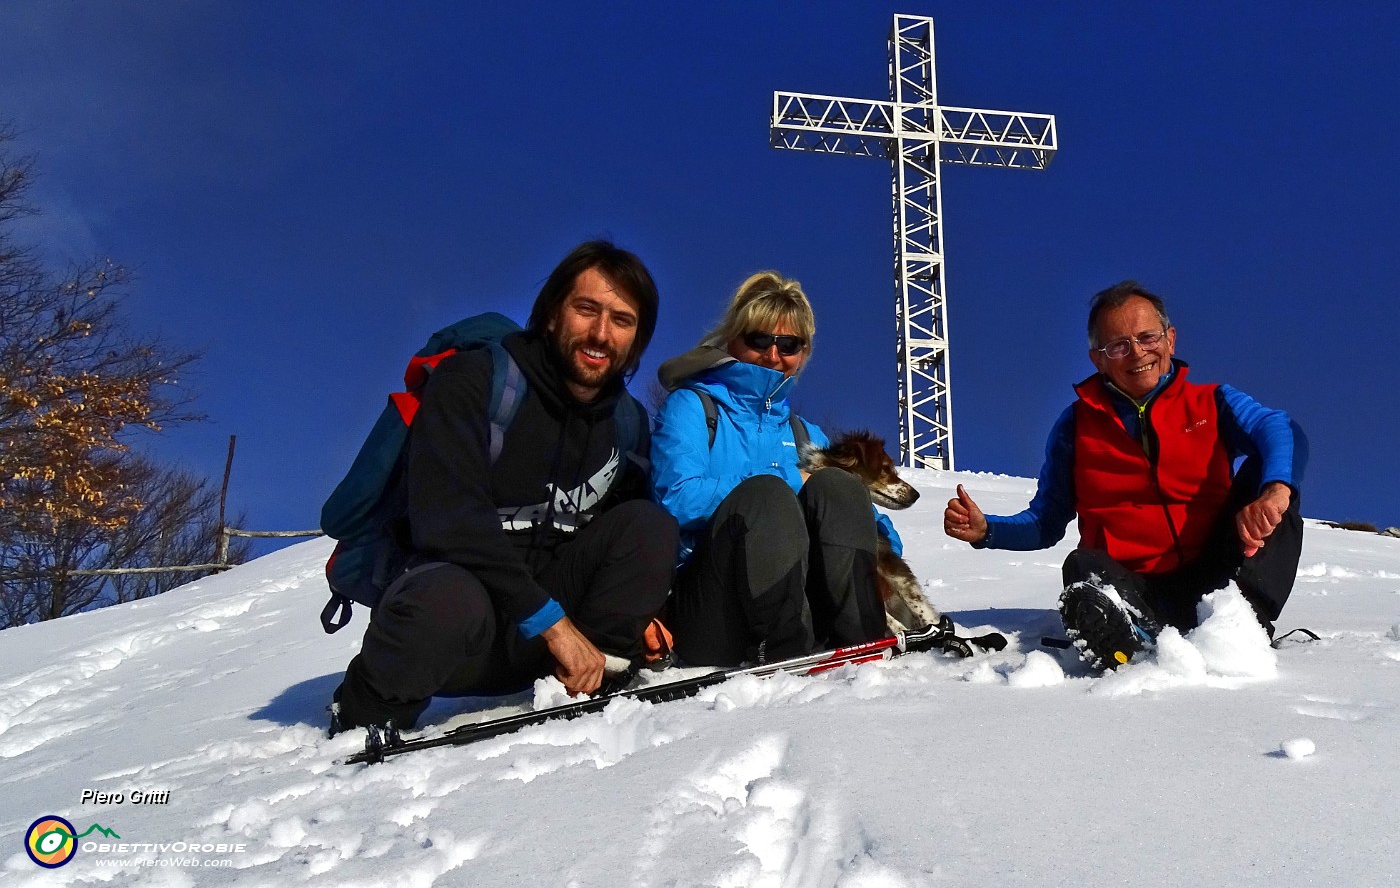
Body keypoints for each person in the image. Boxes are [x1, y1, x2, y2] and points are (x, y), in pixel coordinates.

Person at [330, 241, 678, 734]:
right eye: (586, 309)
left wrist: (641, 612)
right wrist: (552, 624)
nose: (601, 333)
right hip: (460, 629)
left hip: (550, 646)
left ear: (637, 340)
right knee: (443, 601)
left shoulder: (626, 424)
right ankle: (368, 707)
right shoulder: (474, 379)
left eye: (622, 320)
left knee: (649, 526)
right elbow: (447, 518)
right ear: (553, 314)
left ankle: (590, 687)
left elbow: (626, 535)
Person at [943, 280, 1306, 671]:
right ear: (1097, 359)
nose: (1136, 353)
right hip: (1140, 589)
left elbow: (1279, 429)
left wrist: (1275, 491)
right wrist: (986, 531)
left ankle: (1241, 628)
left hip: (1220, 576)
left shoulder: (1212, 402)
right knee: (1081, 566)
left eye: (1147, 337)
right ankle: (1131, 636)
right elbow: (1046, 521)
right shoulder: (1075, 428)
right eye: (1117, 345)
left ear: (1170, 339)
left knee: (1274, 480)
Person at [649, 271, 901, 666]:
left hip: (805, 607)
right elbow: (675, 499)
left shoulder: (805, 434)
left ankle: (864, 641)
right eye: (759, 339)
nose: (773, 355)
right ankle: (783, 655)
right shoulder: (693, 408)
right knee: (767, 495)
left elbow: (864, 519)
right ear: (732, 340)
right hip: (714, 610)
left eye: (789, 344)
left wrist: (881, 561)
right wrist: (785, 480)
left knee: (837, 485)